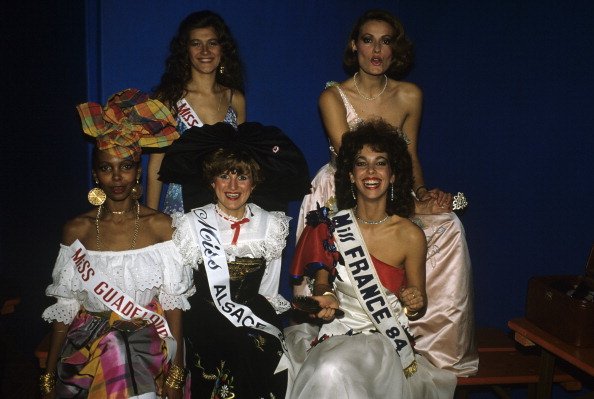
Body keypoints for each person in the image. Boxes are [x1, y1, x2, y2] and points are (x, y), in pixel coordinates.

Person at [296, 9, 477, 376]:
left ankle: (432, 343)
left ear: (396, 48)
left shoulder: (410, 95)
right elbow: (359, 166)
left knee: (449, 223)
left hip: (392, 183)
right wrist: (400, 195)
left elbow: (407, 156)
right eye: (367, 39)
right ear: (354, 45)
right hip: (344, 188)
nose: (376, 50)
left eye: (386, 40)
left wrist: (424, 194)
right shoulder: (332, 96)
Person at [285, 121, 457, 398]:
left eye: (380, 163)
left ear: (393, 175)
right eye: (361, 163)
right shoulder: (329, 226)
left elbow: (417, 302)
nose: (371, 172)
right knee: (329, 368)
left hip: (384, 339)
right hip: (339, 332)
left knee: (334, 369)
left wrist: (414, 300)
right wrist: (324, 298)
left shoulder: (410, 235)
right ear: (351, 175)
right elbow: (321, 284)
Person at [40, 89, 192, 399]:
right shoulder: (76, 230)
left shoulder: (162, 227)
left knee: (119, 349)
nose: (117, 178)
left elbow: (174, 307)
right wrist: (48, 374)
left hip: (149, 337)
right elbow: (65, 306)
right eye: (107, 168)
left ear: (138, 171)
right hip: (88, 340)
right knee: (113, 347)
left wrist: (176, 374)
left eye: (126, 166)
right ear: (96, 174)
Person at [161, 122, 309, 398]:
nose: (232, 186)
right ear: (211, 181)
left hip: (253, 316)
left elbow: (268, 289)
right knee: (238, 346)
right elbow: (179, 289)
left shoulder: (270, 224)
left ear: (254, 182)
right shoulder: (192, 224)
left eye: (241, 177)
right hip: (204, 318)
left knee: (257, 348)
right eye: (224, 176)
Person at [148, 10, 246, 214]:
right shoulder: (170, 99)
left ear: (222, 49)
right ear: (186, 50)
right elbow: (156, 166)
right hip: (182, 206)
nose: (205, 51)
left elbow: (242, 162)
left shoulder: (235, 99)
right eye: (196, 43)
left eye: (212, 43)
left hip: (227, 204)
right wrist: (151, 218)